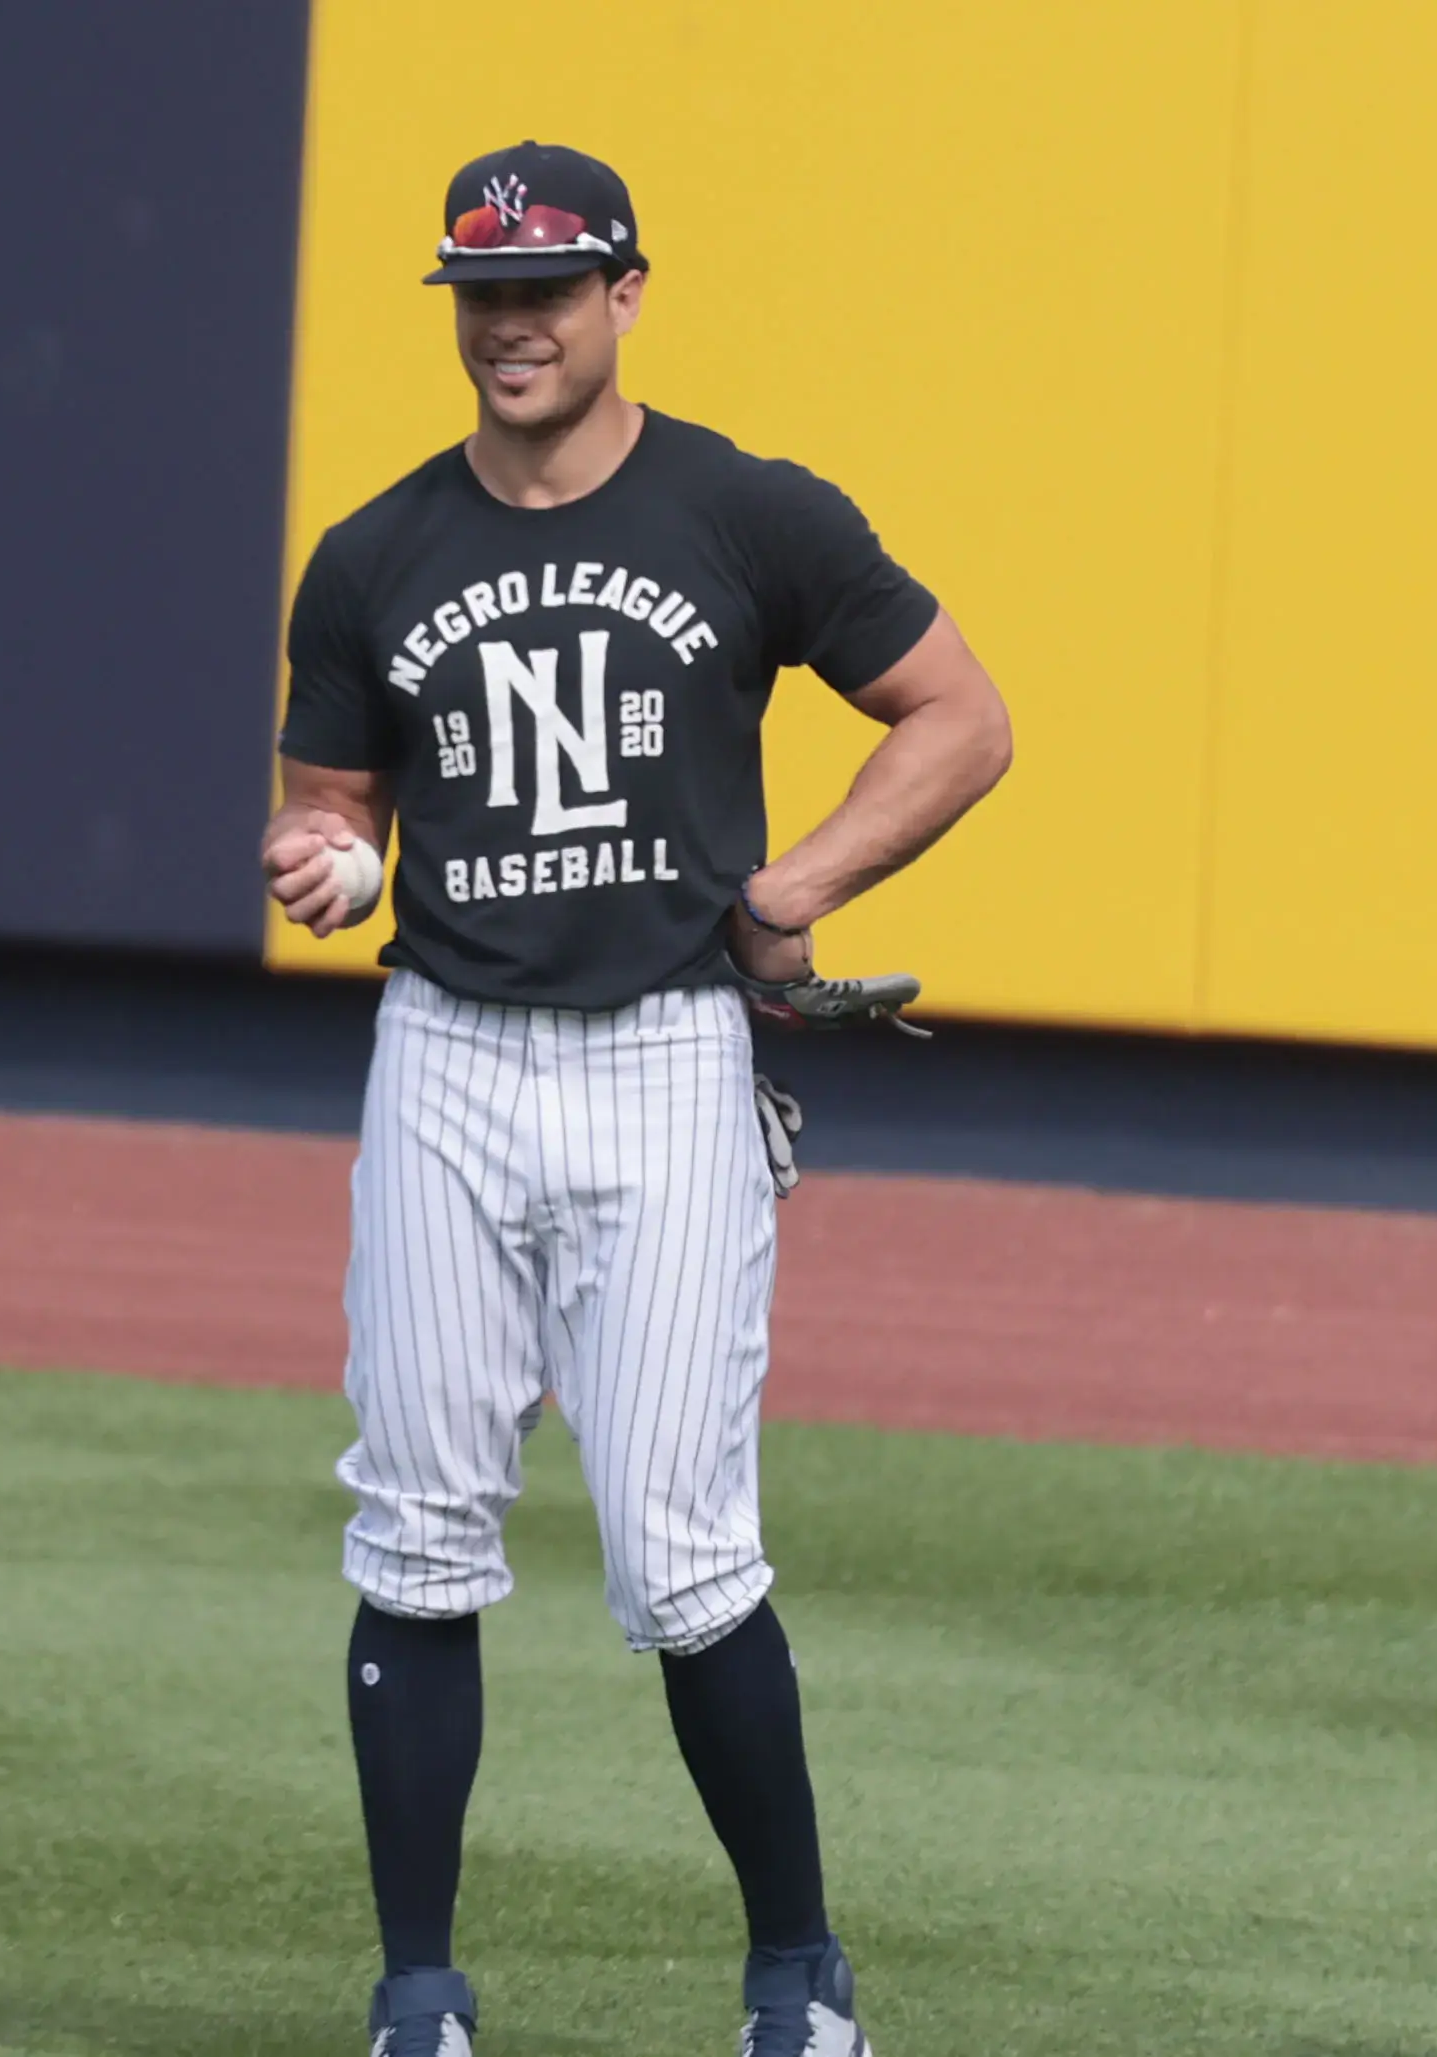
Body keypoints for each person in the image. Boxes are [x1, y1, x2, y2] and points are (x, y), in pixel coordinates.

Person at [260, 139, 1011, 2057]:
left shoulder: (744, 510)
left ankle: (797, 1978)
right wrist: (327, 856)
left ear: (625, 293)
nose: (513, 324)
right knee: (416, 1531)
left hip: (669, 1055)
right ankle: (417, 1995)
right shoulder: (373, 553)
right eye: (482, 295)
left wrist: (795, 890)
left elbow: (961, 716)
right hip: (445, 1054)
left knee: (684, 1559)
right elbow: (330, 804)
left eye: (548, 288)